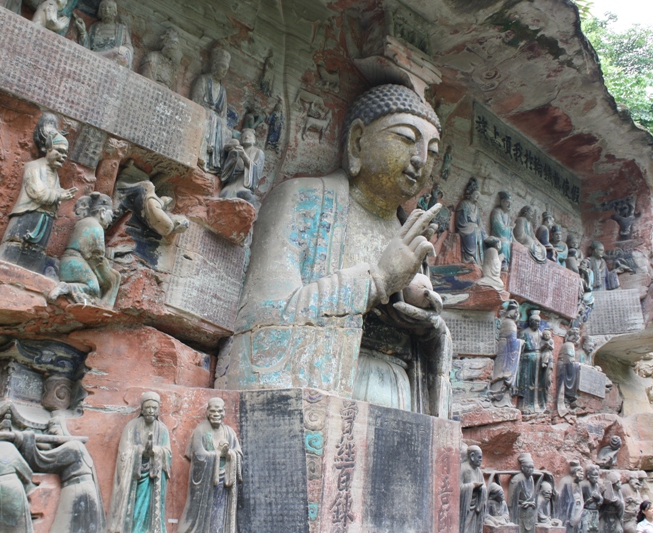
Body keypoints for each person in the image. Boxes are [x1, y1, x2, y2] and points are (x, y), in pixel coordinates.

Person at [218, 83, 451, 418]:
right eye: (404, 138)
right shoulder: (301, 201)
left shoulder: (410, 231)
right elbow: (263, 320)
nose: (420, 160)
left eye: (432, 151)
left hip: (401, 393)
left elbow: (424, 349)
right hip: (327, 394)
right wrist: (378, 281)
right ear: (357, 140)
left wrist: (426, 323)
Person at [0, 131, 78, 273]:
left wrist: (60, 195)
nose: (63, 157)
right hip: (28, 215)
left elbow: (55, 195)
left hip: (45, 219)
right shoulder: (34, 166)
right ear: (48, 149)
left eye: (65, 155)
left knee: (36, 254)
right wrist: (59, 195)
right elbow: (36, 192)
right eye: (59, 151)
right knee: (15, 249)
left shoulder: (55, 175)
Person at [19, 418, 105, 533]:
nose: (53, 435)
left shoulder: (73, 447)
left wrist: (26, 440)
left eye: (55, 431)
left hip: (77, 490)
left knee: (69, 526)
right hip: (82, 489)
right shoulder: (76, 446)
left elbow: (42, 461)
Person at [178, 398, 243, 533]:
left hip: (225, 479)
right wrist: (217, 455)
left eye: (219, 411)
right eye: (212, 411)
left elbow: (238, 453)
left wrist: (229, 453)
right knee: (204, 510)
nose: (216, 414)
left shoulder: (229, 432)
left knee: (220, 510)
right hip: (206, 481)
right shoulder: (201, 431)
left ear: (224, 413)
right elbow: (198, 454)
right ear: (207, 412)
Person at [109, 392, 171, 533]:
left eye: (154, 408)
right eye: (147, 407)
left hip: (154, 475)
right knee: (136, 506)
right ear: (142, 409)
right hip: (135, 474)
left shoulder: (162, 429)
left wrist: (156, 451)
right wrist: (140, 451)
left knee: (152, 507)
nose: (150, 411)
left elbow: (168, 452)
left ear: (158, 410)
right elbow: (124, 451)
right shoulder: (132, 426)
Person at [54, 192, 121, 306]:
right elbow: (96, 257)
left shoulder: (83, 222)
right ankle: (66, 287)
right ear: (103, 212)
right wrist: (110, 275)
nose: (110, 221)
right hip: (75, 264)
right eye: (111, 216)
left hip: (66, 263)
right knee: (94, 288)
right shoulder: (96, 226)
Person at [191, 46, 231, 174]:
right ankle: (201, 158)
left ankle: (215, 163)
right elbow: (196, 101)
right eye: (222, 67)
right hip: (205, 115)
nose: (224, 71)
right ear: (214, 65)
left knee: (224, 127)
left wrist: (221, 121)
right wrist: (207, 111)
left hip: (217, 121)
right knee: (210, 120)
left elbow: (223, 113)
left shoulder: (223, 90)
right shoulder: (203, 80)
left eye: (226, 69)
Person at [74, 0, 134, 68]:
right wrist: (83, 32)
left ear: (115, 12)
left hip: (113, 60)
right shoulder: (94, 27)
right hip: (96, 57)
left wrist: (123, 50)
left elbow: (128, 47)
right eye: (103, 7)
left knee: (118, 53)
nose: (106, 10)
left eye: (110, 7)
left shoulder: (122, 29)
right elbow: (87, 48)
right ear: (99, 11)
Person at [489, 300, 524, 407]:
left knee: (500, 372)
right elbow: (512, 342)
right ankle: (499, 398)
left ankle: (503, 399)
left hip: (503, 350)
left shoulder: (505, 321)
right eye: (515, 311)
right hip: (506, 352)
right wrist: (520, 342)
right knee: (503, 373)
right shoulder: (509, 323)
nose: (516, 314)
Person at [219, 128, 265, 203]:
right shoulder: (237, 150)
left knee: (244, 194)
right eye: (244, 136)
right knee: (223, 194)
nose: (246, 137)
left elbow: (256, 170)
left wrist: (244, 155)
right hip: (234, 181)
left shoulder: (258, 152)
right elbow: (228, 170)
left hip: (244, 180)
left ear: (254, 139)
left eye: (249, 136)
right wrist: (232, 155)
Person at [518, 310, 544, 413]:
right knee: (526, 382)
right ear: (530, 321)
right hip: (527, 360)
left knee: (537, 384)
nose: (537, 324)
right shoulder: (524, 333)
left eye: (538, 322)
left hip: (538, 360)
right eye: (535, 321)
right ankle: (525, 405)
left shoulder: (540, 334)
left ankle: (536, 405)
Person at [455, 177, 484, 265]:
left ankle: (479, 260)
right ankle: (468, 257)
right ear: (470, 194)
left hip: (475, 228)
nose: (477, 198)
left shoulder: (477, 209)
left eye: (478, 196)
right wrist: (472, 227)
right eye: (476, 195)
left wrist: (480, 229)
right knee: (474, 233)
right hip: (466, 227)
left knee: (481, 234)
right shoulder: (464, 204)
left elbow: (480, 223)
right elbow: (460, 220)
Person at [459, 445, 486, 533]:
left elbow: (484, 487)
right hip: (466, 506)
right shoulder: (463, 468)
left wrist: (482, 488)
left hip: (476, 506)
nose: (481, 460)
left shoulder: (478, 471)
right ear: (472, 456)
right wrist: (472, 486)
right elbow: (458, 488)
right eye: (479, 457)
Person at [508, 453, 537, 533]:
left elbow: (532, 497)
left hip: (530, 514)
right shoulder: (517, 479)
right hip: (520, 512)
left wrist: (531, 503)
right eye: (528, 467)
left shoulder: (531, 479)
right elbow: (511, 501)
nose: (531, 470)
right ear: (522, 468)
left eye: (532, 468)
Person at [490, 191, 513, 271]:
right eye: (507, 202)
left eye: (510, 203)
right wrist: (510, 228)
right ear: (502, 202)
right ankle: (503, 263)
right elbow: (499, 228)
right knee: (505, 243)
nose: (509, 205)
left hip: (506, 238)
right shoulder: (497, 212)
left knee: (514, 246)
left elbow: (511, 233)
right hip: (497, 236)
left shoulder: (508, 216)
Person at [580, 464, 603, 533]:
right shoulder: (584, 485)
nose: (596, 478)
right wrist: (586, 502)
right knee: (585, 529)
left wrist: (598, 498)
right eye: (594, 475)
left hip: (595, 511)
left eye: (597, 476)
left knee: (595, 529)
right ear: (588, 475)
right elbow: (579, 499)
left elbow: (601, 500)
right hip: (586, 512)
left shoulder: (596, 486)